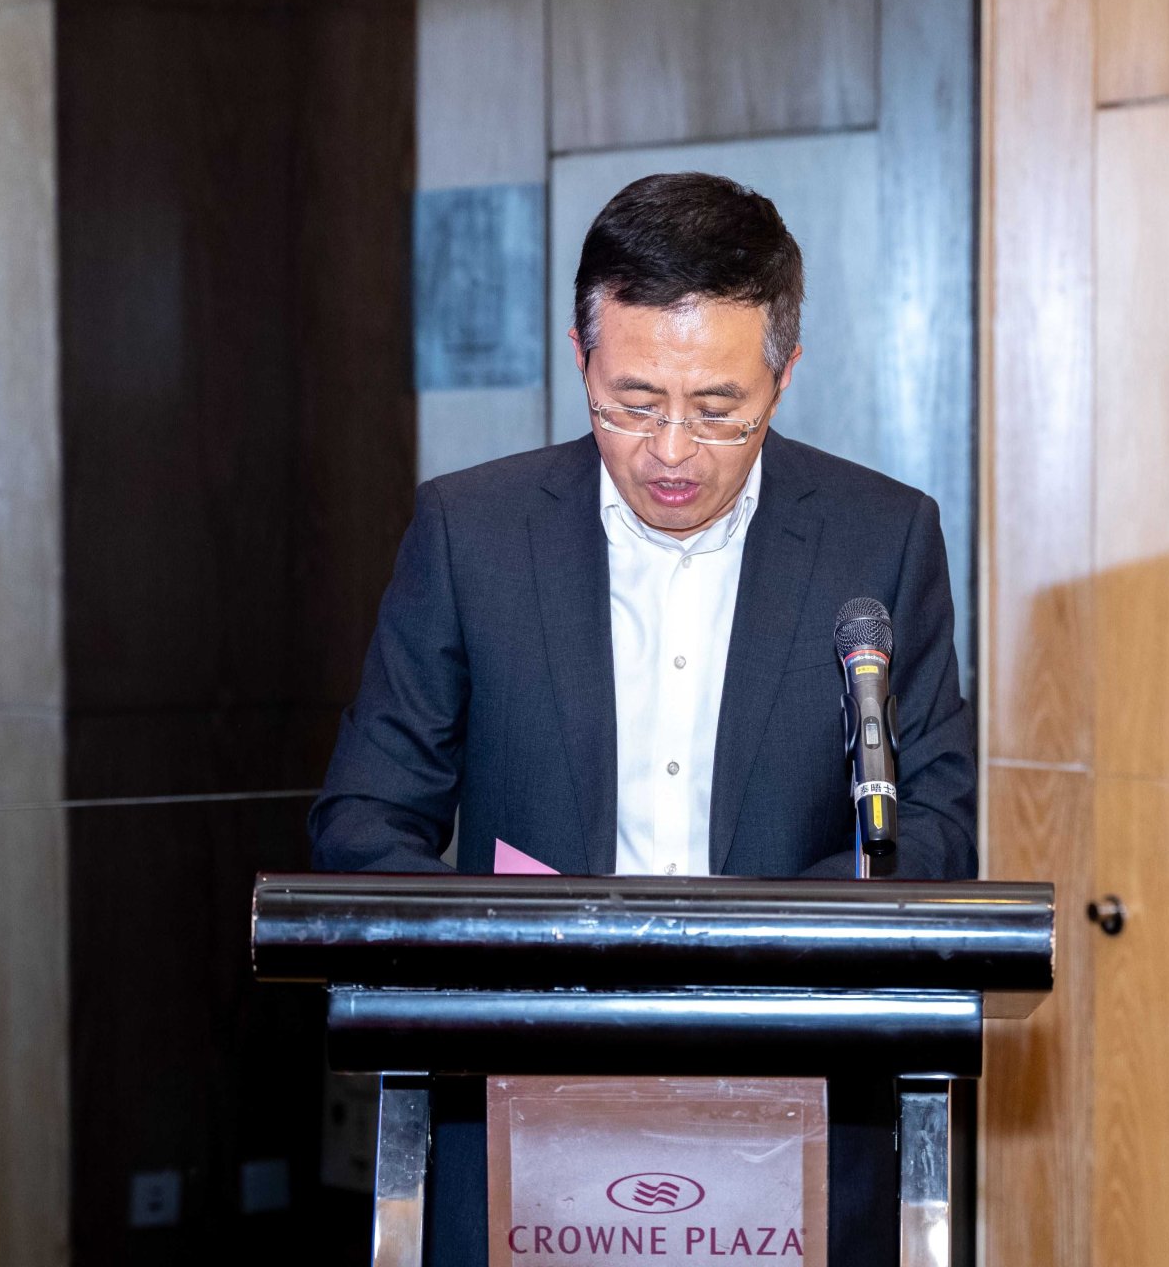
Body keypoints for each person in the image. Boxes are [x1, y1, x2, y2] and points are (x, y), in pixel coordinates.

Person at [309, 171, 977, 1263]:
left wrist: (763, 947)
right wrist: (508, 948)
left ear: (784, 374)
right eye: (631, 402)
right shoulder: (472, 533)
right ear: (581, 359)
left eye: (717, 410)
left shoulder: (881, 538)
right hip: (523, 1096)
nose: (670, 450)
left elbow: (936, 822)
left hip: (794, 1100)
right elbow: (362, 819)